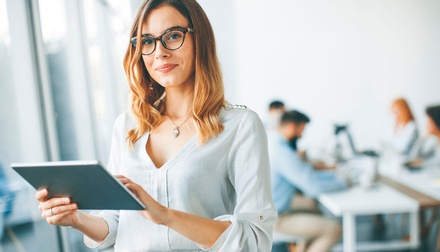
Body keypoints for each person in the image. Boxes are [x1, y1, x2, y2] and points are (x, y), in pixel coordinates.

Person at [35, 1, 276, 251]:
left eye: (173, 36)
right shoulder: (128, 125)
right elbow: (117, 223)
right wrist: (77, 219)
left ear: (200, 38)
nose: (159, 52)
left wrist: (166, 215)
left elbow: (255, 239)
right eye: (147, 41)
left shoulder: (240, 126)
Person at [268, 110, 349, 252]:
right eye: (301, 130)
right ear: (293, 126)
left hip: (275, 209)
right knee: (334, 228)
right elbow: (313, 187)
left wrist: (332, 175)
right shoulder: (282, 152)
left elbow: (306, 174)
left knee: (316, 209)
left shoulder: (276, 143)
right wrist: (344, 182)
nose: (301, 135)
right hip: (277, 219)